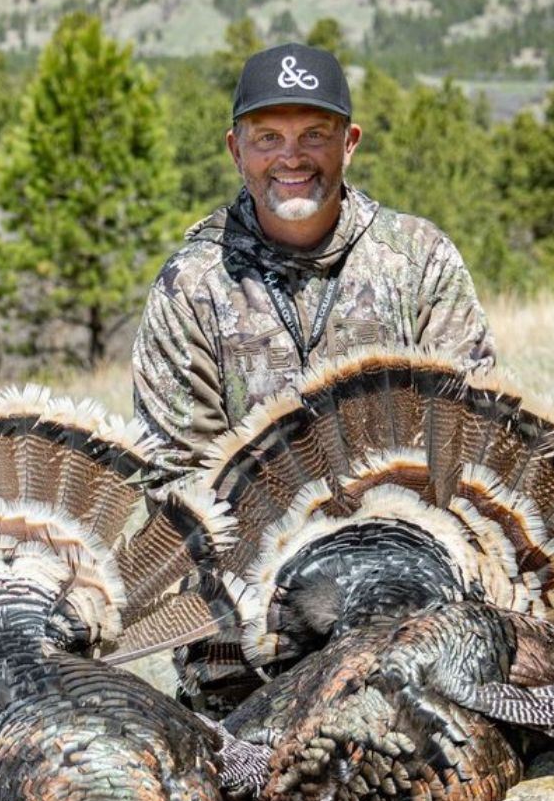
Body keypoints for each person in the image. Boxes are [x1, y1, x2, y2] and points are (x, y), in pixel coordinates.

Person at [131, 42, 495, 480]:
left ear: (349, 143)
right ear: (236, 151)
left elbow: (472, 433)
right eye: (268, 137)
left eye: (314, 135)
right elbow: (177, 474)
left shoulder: (419, 260)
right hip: (245, 526)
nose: (291, 157)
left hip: (407, 517)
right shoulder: (189, 287)